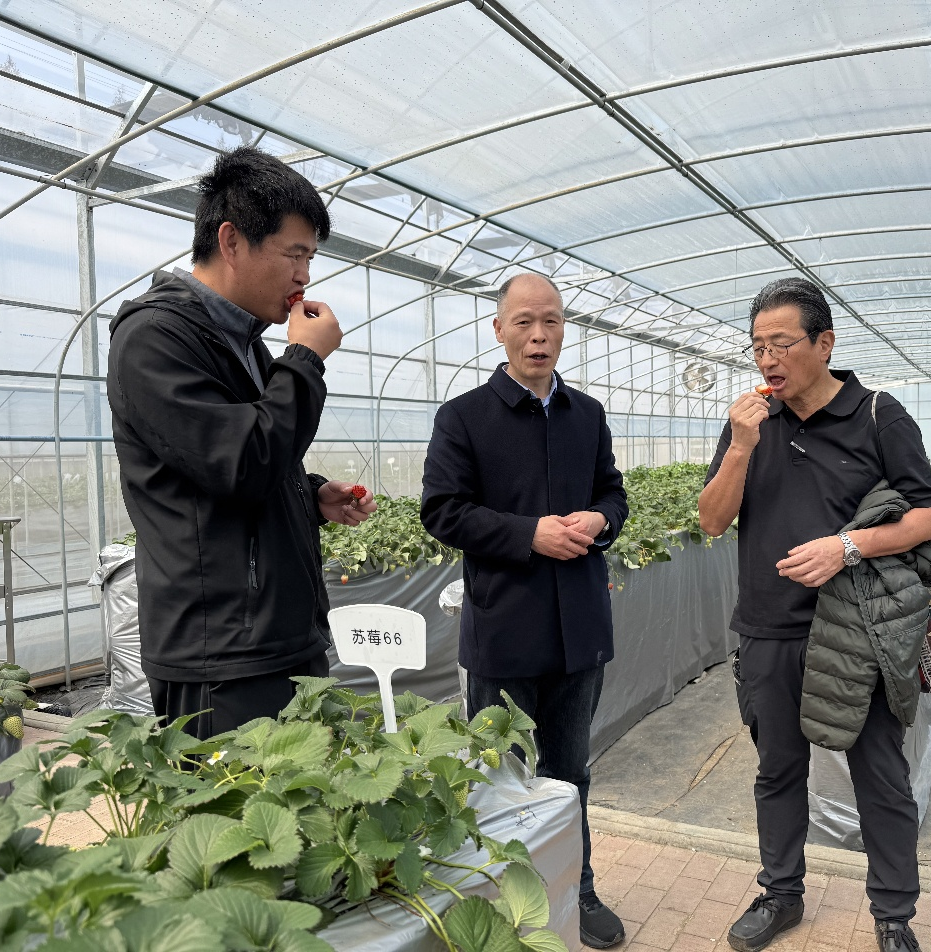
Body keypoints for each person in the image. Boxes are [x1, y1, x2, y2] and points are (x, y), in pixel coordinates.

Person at [698, 278, 931, 952]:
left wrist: (848, 546)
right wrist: (741, 446)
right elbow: (712, 520)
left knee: (879, 774)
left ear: (825, 343)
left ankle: (893, 915)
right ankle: (780, 894)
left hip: (858, 629)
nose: (767, 359)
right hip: (768, 627)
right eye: (757, 347)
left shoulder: (878, 415)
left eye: (781, 344)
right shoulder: (750, 422)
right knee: (778, 771)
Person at [108, 146, 377, 739]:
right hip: (223, 657)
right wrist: (304, 360)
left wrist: (309, 495)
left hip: (278, 640)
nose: (304, 275)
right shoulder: (154, 339)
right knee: (240, 799)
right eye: (294, 254)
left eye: (310, 258)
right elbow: (242, 463)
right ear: (231, 241)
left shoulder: (244, 344)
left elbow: (240, 463)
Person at [420, 273, 630, 949]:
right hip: (505, 633)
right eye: (524, 322)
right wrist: (528, 534)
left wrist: (600, 519)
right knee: (502, 780)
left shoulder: (586, 414)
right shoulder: (463, 417)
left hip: (579, 632)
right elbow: (442, 511)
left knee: (570, 774)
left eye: (551, 322)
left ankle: (578, 888)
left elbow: (614, 494)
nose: (539, 336)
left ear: (564, 328)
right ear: (499, 330)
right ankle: (505, 899)